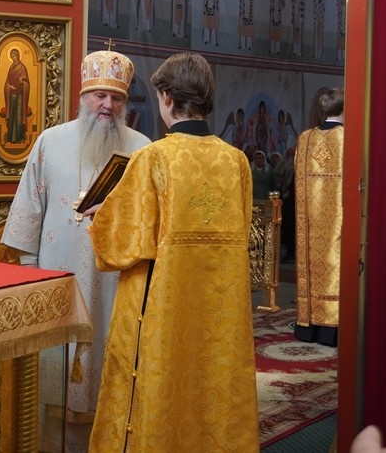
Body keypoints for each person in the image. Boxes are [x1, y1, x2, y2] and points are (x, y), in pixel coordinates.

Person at [86, 52, 258, 451]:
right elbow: (243, 229)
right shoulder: (236, 161)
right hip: (220, 310)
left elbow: (122, 246)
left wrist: (103, 215)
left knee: (162, 385)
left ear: (165, 97)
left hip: (162, 309)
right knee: (212, 383)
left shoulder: (154, 158)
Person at [1, 48, 150, 452]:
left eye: (116, 98)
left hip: (115, 282)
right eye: (100, 95)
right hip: (56, 278)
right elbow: (29, 207)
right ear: (83, 97)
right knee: (54, 370)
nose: (107, 105)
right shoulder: (50, 142)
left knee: (110, 364)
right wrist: (31, 273)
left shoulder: (141, 149)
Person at [293, 86, 344, 346]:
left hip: (309, 221)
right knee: (336, 264)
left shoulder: (305, 138)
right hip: (338, 218)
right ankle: (331, 328)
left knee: (313, 266)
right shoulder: (348, 138)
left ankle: (308, 326)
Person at [0, 48, 32, 144]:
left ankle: (19, 137)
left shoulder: (22, 68)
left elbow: (26, 82)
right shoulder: (11, 68)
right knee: (11, 114)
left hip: (20, 95)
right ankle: (11, 137)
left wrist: (23, 82)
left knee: (19, 115)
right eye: (11, 57)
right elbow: (7, 82)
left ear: (18, 56)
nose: (13, 58)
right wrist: (9, 86)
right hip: (11, 94)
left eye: (14, 56)